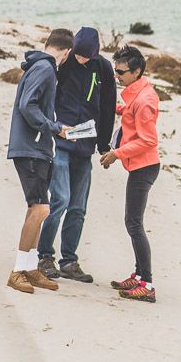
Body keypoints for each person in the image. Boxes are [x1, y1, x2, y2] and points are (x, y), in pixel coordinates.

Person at [37, 26, 116, 283]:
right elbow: (48, 96)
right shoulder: (63, 64)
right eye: (78, 55)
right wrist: (52, 128)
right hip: (60, 141)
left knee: (78, 206)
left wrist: (104, 144)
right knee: (59, 199)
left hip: (86, 145)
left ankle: (69, 260)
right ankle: (44, 255)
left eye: (86, 56)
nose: (81, 59)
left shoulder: (103, 68)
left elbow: (107, 107)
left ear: (95, 53)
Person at [6, 28, 73, 294]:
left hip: (36, 147)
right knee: (40, 209)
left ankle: (31, 267)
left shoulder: (40, 66)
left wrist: (55, 128)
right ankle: (17, 271)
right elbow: (27, 105)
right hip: (30, 147)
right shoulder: (45, 69)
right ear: (67, 53)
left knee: (37, 208)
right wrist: (53, 127)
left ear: (47, 44)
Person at [99, 45, 160, 304]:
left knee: (134, 224)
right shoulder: (138, 94)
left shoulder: (144, 101)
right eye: (115, 71)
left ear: (136, 71)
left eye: (121, 72)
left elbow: (148, 140)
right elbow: (130, 111)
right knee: (131, 222)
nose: (117, 76)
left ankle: (147, 284)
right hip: (139, 166)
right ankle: (137, 275)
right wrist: (117, 109)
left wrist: (117, 153)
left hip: (144, 168)